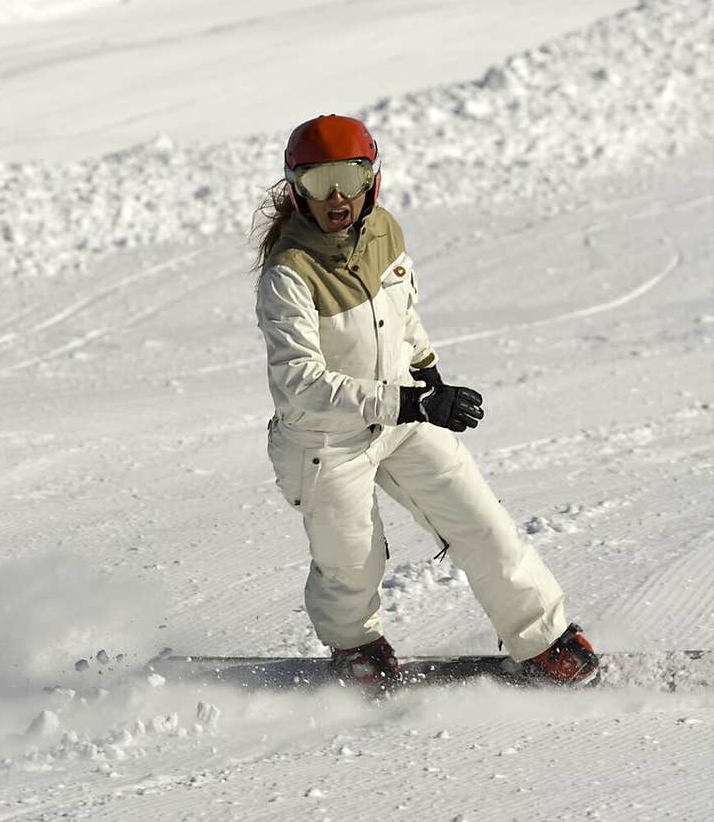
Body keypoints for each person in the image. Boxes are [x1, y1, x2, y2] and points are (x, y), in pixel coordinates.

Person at [253, 114, 599, 691]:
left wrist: (426, 370)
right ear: (296, 188)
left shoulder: (385, 230)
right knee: (352, 562)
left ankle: (542, 642)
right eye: (318, 181)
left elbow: (401, 311)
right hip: (325, 439)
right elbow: (300, 382)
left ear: (373, 179)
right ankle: (356, 648)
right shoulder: (288, 275)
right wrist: (411, 402)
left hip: (404, 415)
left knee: (484, 526)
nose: (336, 196)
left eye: (350, 176)